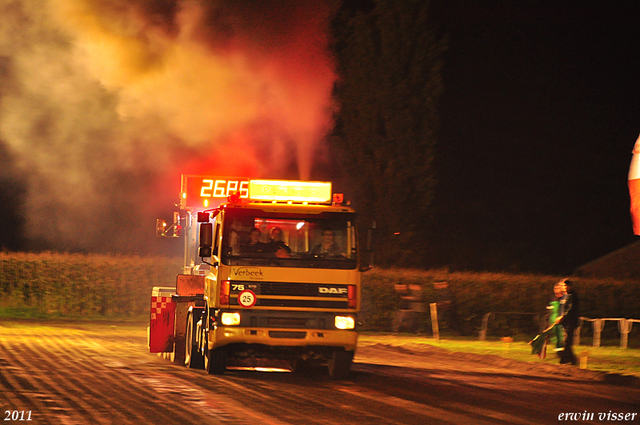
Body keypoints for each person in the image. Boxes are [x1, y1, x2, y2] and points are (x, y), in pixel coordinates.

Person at [555, 279, 580, 365]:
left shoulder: (573, 296)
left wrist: (563, 317)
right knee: (567, 342)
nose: (564, 288)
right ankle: (572, 360)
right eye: (563, 286)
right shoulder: (567, 296)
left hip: (571, 322)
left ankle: (564, 361)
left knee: (567, 342)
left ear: (570, 286)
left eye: (565, 286)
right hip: (566, 323)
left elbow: (571, 309)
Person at [547, 281, 565, 352]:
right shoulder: (552, 298)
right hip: (553, 319)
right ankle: (557, 348)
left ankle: (561, 347)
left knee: (560, 334)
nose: (556, 290)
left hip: (560, 319)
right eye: (555, 288)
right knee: (554, 334)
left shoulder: (563, 298)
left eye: (558, 288)